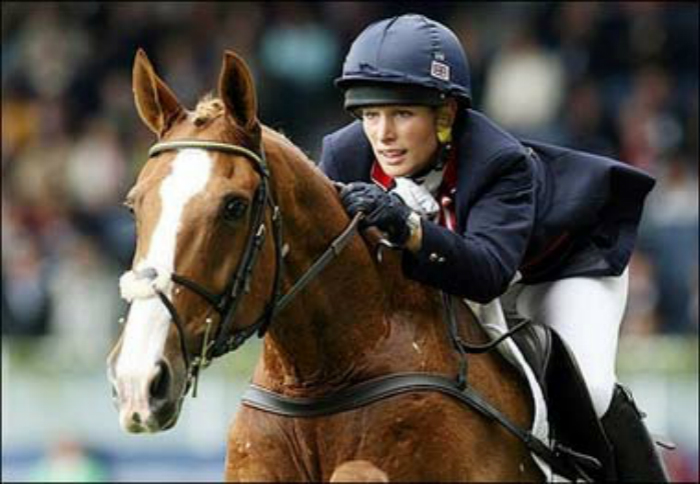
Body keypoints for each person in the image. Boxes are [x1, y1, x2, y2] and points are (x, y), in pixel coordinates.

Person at [318, 13, 668, 482]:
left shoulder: (498, 161)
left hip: (559, 268)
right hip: (463, 268)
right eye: (369, 114)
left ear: (445, 114)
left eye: (402, 114)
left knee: (590, 387)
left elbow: (487, 275)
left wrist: (407, 228)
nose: (382, 134)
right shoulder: (344, 155)